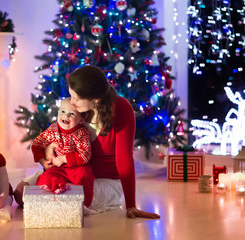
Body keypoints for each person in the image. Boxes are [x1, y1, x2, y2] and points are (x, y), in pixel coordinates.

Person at [14, 65, 160, 219]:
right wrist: (49, 147)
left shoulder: (121, 109)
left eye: (76, 98)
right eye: (71, 95)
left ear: (95, 99)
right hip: (70, 171)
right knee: (20, 193)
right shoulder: (79, 108)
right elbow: (60, 133)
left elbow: (124, 158)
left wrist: (131, 205)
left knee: (64, 199)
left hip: (103, 180)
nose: (72, 101)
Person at [32, 98, 94, 208]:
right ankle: (44, 201)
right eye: (63, 111)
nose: (66, 116)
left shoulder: (81, 133)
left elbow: (85, 155)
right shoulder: (53, 130)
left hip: (76, 167)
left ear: (81, 120)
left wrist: (64, 158)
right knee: (46, 177)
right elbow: (36, 145)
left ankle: (83, 205)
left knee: (85, 174)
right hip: (58, 168)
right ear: (58, 112)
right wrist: (43, 162)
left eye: (72, 114)